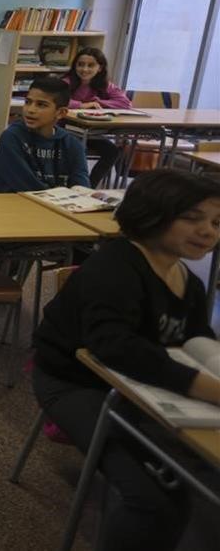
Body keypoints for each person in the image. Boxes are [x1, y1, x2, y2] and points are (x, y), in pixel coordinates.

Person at [32, 168, 220, 551]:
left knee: (199, 474)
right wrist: (206, 387)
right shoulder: (115, 267)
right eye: (192, 218)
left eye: (217, 222)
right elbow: (113, 347)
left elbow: (196, 337)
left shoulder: (189, 280)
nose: (209, 231)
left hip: (143, 386)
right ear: (151, 213)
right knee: (156, 502)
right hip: (76, 380)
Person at [0, 76, 89, 193]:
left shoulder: (72, 144)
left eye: (41, 105)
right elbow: (26, 187)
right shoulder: (12, 137)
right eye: (28, 102)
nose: (30, 110)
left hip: (59, 207)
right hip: (19, 205)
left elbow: (82, 186)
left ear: (61, 112)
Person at [63, 47, 131, 186]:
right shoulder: (66, 82)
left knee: (112, 151)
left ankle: (89, 185)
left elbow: (125, 103)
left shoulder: (105, 85)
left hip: (92, 133)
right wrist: (82, 105)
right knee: (78, 149)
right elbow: (57, 100)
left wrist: (99, 102)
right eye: (80, 64)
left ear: (100, 68)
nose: (84, 69)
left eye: (91, 65)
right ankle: (73, 184)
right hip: (67, 130)